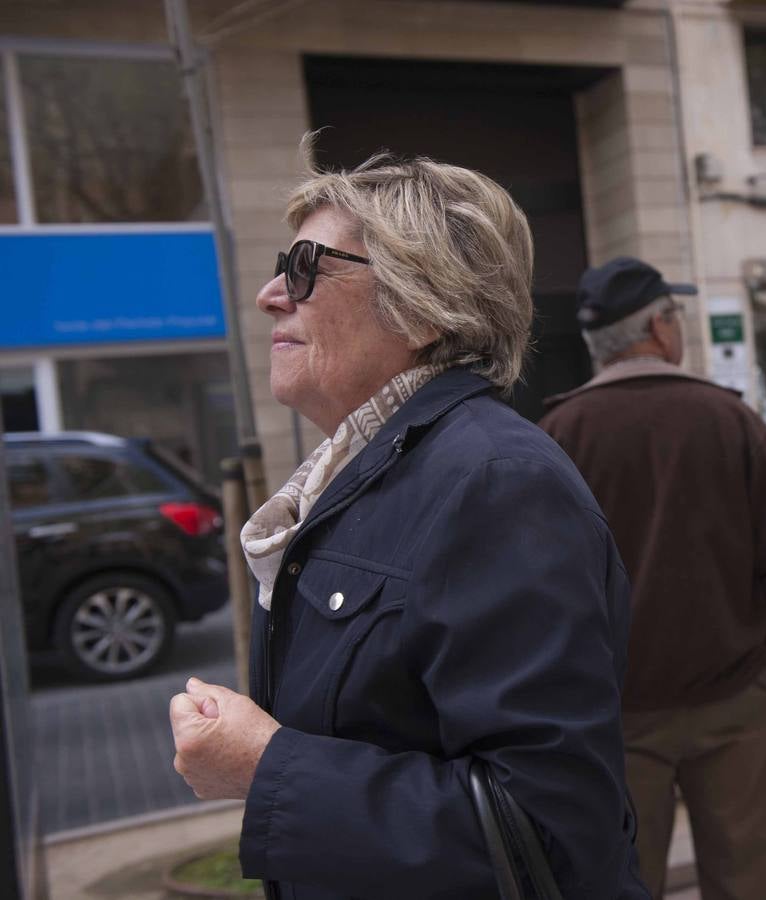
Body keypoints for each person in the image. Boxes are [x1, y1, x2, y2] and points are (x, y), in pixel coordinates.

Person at [167, 148, 648, 900]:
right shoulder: (368, 474)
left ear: (421, 306)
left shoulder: (494, 482)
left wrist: (268, 767)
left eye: (303, 267)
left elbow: (551, 836)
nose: (268, 295)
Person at [538, 257, 766, 900]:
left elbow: (543, 590)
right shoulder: (731, 419)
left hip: (613, 715)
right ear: (659, 327)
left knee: (624, 879)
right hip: (732, 694)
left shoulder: (558, 434)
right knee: (745, 878)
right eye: (676, 316)